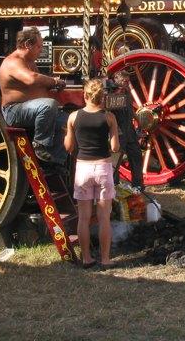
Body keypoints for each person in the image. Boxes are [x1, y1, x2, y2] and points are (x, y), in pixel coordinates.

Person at [64, 78, 120, 269]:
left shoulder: (73, 117)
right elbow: (114, 147)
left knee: (84, 218)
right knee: (104, 217)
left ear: (85, 96)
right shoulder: (109, 117)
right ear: (101, 97)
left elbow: (69, 147)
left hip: (83, 169)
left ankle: (86, 258)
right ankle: (105, 259)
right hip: (103, 167)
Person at [0, 27, 67, 163]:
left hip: (30, 109)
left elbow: (39, 82)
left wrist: (52, 85)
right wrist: (54, 81)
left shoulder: (29, 62)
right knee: (48, 105)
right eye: (39, 46)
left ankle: (56, 163)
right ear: (27, 45)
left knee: (67, 121)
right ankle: (40, 144)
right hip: (14, 111)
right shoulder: (13, 61)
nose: (41, 50)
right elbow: (32, 79)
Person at [112, 70, 144, 190]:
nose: (127, 83)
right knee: (116, 159)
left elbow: (130, 109)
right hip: (118, 130)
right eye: (125, 81)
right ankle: (114, 185)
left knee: (136, 155)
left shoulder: (127, 93)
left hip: (129, 129)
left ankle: (138, 185)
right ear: (117, 80)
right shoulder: (112, 93)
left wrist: (138, 120)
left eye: (128, 81)